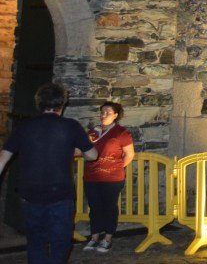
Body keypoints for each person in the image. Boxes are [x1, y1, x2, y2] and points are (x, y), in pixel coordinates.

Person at [0, 82, 97, 264]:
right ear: (62, 104)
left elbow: (2, 159)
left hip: (30, 193)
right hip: (60, 194)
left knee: (35, 241)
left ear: (39, 103)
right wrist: (73, 150)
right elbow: (92, 155)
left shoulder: (24, 126)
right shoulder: (71, 126)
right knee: (61, 242)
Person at [82, 101, 135, 253]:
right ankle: (94, 237)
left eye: (108, 112)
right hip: (91, 177)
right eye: (102, 112)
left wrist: (117, 167)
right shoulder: (93, 132)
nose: (104, 115)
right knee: (94, 207)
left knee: (109, 207)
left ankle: (107, 239)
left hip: (112, 179)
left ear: (116, 115)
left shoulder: (121, 133)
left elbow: (129, 154)